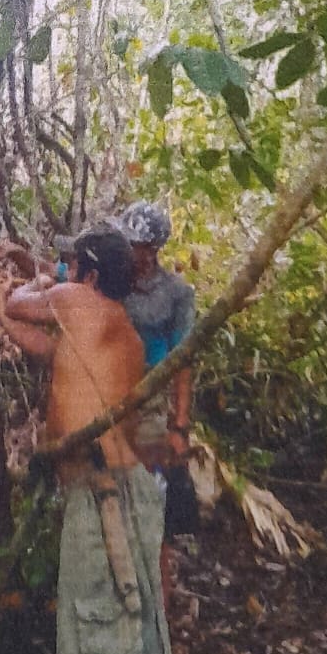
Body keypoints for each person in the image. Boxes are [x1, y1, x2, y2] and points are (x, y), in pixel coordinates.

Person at [0, 228, 177, 654]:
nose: (65, 273)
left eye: (72, 267)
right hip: (115, 491)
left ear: (88, 275)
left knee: (120, 638)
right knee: (124, 630)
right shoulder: (117, 328)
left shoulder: (76, 300)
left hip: (105, 497)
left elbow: (24, 303)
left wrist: (13, 289)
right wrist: (1, 313)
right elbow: (46, 348)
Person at [116, 202, 196, 536]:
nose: (130, 250)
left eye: (137, 245)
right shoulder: (111, 280)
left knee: (150, 488)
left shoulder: (176, 293)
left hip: (151, 399)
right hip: (109, 395)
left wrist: (179, 425)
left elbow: (183, 358)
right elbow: (62, 277)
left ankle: (154, 559)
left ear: (152, 250)